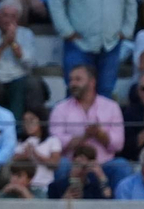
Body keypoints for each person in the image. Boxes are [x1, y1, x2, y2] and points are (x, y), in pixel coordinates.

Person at [47, 64, 130, 195]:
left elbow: (118, 144)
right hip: (72, 164)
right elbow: (56, 142)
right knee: (61, 164)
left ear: (92, 82)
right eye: (71, 80)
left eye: (78, 79)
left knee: (121, 166)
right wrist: (84, 137)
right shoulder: (60, 108)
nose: (72, 84)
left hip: (103, 164)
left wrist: (99, 134)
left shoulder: (111, 107)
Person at [0, 0, 45, 119]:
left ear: (18, 19)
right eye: (5, 15)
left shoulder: (26, 34)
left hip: (20, 77)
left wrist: (13, 43)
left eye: (13, 16)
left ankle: (32, 130)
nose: (8, 20)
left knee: (31, 84)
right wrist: (3, 44)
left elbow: (31, 64)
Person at [12, 107, 61, 193]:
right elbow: (13, 163)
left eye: (31, 120)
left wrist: (36, 155)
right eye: (25, 121)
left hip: (44, 186)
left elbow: (54, 163)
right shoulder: (21, 142)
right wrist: (24, 156)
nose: (28, 124)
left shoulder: (52, 140)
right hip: (24, 187)